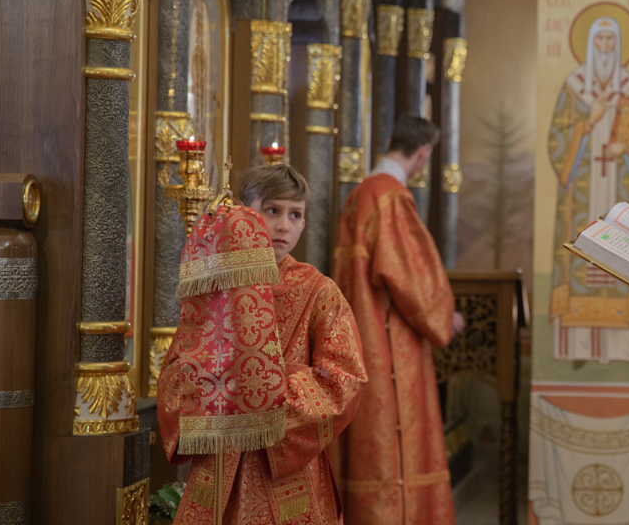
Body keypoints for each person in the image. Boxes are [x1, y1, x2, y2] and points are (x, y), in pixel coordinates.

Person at [159, 165, 367, 524]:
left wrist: (264, 401)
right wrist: (210, 391)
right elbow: (175, 372)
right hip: (219, 466)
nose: (284, 225)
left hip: (286, 475)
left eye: (295, 214)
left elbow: (344, 378)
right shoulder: (215, 287)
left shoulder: (320, 292)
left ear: (304, 222)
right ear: (247, 213)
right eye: (272, 211)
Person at [332, 115, 464, 525]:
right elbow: (408, 276)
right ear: (423, 153)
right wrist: (445, 317)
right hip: (389, 345)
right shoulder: (390, 197)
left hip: (359, 337)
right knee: (394, 449)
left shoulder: (359, 193)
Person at [548, 13, 629, 364]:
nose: (606, 46)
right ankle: (579, 347)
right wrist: (587, 124)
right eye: (600, 39)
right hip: (582, 193)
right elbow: (556, 140)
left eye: (611, 40)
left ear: (620, 45)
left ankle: (625, 350)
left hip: (619, 191)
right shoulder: (573, 87)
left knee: (622, 268)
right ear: (590, 43)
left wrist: (628, 148)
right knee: (581, 262)